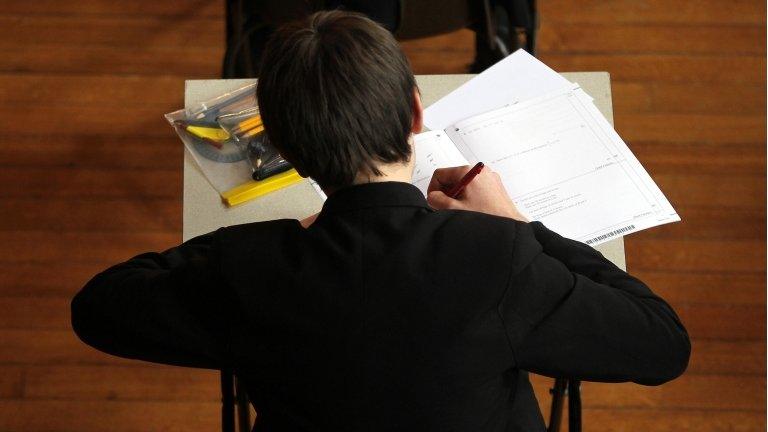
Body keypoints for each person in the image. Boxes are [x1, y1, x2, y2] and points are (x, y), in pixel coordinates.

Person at [72, 10, 690, 432]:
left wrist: (250, 244)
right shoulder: (501, 259)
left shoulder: (251, 270)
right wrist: (519, 226)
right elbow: (663, 343)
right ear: (416, 115)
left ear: (282, 149)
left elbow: (98, 306)